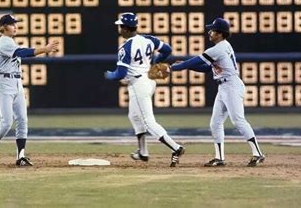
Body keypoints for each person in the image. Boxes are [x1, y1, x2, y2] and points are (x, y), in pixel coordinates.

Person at [169, 17, 265, 167]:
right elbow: (207, 68)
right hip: (224, 87)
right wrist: (185, 66)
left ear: (220, 33)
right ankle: (219, 157)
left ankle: (258, 153)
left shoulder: (217, 49)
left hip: (232, 86)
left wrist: (174, 68)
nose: (210, 32)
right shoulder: (223, 46)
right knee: (215, 123)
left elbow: (195, 61)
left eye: (212, 30)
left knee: (238, 120)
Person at [105, 12, 185, 167]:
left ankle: (176, 148)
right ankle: (143, 152)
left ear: (127, 29)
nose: (119, 29)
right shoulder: (148, 39)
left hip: (138, 85)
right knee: (134, 116)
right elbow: (167, 50)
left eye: (121, 27)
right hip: (149, 81)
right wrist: (155, 61)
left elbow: (120, 74)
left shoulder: (126, 47)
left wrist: (109, 75)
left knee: (148, 122)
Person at [0, 14, 59, 166]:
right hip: (4, 83)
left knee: (22, 120)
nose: (15, 26)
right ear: (4, 27)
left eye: (15, 24)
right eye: (12, 24)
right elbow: (22, 53)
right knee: (6, 122)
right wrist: (44, 49)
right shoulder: (4, 42)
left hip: (16, 82)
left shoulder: (10, 41)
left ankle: (21, 156)